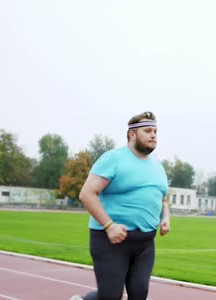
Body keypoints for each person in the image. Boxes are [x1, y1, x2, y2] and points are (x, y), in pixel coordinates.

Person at [72, 111, 170, 300]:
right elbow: (87, 194)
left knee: (140, 294)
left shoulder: (158, 168)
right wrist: (109, 226)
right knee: (110, 297)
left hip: (145, 243)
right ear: (132, 134)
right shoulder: (113, 158)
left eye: (156, 132)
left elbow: (163, 198)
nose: (153, 135)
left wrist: (165, 217)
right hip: (111, 241)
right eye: (148, 130)